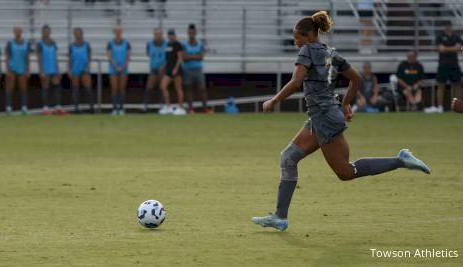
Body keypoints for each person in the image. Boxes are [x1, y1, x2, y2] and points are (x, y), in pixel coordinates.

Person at [251, 11, 431, 231]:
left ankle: (401, 160)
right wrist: (346, 103)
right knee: (288, 158)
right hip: (322, 115)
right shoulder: (331, 53)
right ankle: (280, 217)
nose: (295, 41)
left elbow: (297, 81)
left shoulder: (307, 50)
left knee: (347, 172)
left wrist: (274, 100)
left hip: (325, 117)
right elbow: (356, 79)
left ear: (308, 36)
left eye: (297, 36)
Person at [425, 21, 462, 113]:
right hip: (443, 64)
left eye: (449, 26)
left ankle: (458, 106)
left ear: (451, 27)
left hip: (454, 64)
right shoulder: (440, 36)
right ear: (444, 27)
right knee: (441, 85)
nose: (448, 27)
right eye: (446, 26)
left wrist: (446, 48)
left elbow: (458, 48)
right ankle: (440, 107)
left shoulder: (456, 36)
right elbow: (441, 49)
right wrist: (452, 48)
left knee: (457, 85)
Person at [182, 24, 212, 114]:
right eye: (190, 32)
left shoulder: (200, 44)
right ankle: (191, 109)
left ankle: (205, 108)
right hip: (187, 69)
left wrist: (190, 56)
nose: (191, 33)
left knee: (202, 89)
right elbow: (184, 58)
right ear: (188, 33)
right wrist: (195, 56)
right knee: (189, 89)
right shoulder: (185, 45)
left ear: (195, 32)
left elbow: (201, 57)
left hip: (198, 69)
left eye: (193, 32)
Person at [37, 25, 66, 115]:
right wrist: (41, 70)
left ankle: (58, 107)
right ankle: (45, 108)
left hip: (53, 67)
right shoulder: (40, 44)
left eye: (47, 31)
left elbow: (55, 57)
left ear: (50, 32)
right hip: (45, 68)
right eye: (44, 31)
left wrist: (58, 69)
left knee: (56, 87)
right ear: (42, 33)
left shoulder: (53, 43)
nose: (46, 33)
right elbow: (39, 58)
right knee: (45, 88)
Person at [158, 29, 186, 115]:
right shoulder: (167, 45)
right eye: (169, 35)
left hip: (176, 70)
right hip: (168, 69)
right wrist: (163, 66)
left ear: (175, 36)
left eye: (172, 35)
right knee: (163, 86)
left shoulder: (178, 45)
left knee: (178, 88)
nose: (171, 36)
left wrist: (176, 68)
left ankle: (181, 108)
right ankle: (168, 107)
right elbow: (168, 59)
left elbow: (180, 58)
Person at [5, 26, 30, 115]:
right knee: (10, 88)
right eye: (16, 31)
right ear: (14, 32)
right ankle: (9, 107)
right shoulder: (10, 43)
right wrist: (7, 69)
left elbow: (27, 57)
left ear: (21, 32)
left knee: (23, 88)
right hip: (12, 68)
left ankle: (24, 106)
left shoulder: (26, 43)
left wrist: (28, 69)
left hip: (22, 68)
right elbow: (7, 57)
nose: (18, 32)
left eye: (19, 31)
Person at [68, 27, 94, 113]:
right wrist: (69, 69)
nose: (78, 35)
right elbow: (70, 59)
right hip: (75, 69)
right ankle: (76, 109)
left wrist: (87, 68)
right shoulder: (71, 46)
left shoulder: (86, 45)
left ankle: (91, 109)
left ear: (82, 34)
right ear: (74, 35)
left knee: (88, 89)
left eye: (79, 33)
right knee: (75, 90)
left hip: (85, 69)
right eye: (76, 33)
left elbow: (89, 57)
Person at [107, 25, 131, 116]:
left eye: (119, 31)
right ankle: (114, 108)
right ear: (114, 32)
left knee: (121, 88)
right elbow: (109, 56)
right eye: (116, 31)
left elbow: (128, 57)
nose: (118, 33)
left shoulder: (126, 43)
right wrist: (116, 66)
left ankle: (121, 108)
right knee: (114, 88)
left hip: (123, 69)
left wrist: (123, 67)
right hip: (113, 69)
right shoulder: (110, 43)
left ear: (121, 32)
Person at [145, 27, 167, 112]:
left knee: (162, 86)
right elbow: (148, 53)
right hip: (153, 68)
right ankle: (145, 105)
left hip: (163, 69)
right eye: (156, 34)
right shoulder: (149, 43)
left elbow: (169, 56)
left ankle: (163, 105)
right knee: (149, 86)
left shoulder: (166, 44)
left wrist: (163, 66)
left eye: (160, 34)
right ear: (154, 35)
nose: (158, 36)